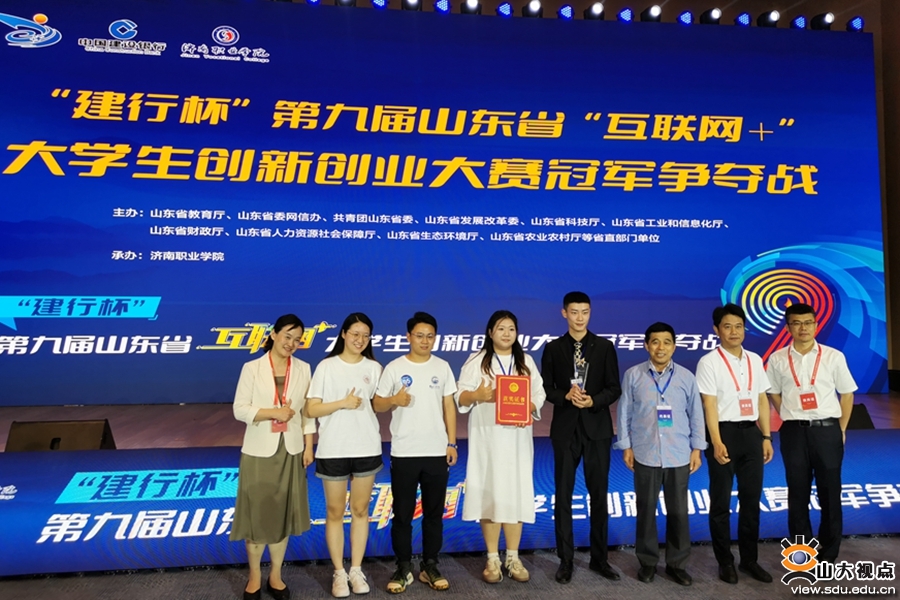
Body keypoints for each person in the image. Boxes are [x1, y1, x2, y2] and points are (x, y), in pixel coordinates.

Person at [456, 310, 546, 584]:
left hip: (517, 439)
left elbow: (539, 393)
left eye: (511, 329)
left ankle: (513, 557)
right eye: (501, 328)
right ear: (490, 332)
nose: (506, 334)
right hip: (488, 439)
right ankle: (492, 557)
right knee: (491, 493)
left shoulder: (525, 361)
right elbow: (460, 396)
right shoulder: (477, 360)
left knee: (515, 493)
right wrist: (477, 395)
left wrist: (529, 408)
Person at [614, 322, 706, 587]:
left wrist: (697, 448)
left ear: (674, 346)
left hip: (679, 454)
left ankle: (677, 564)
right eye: (655, 342)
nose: (661, 347)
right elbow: (624, 412)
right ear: (646, 345)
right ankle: (648, 562)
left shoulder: (686, 377)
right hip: (645, 453)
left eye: (667, 342)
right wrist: (626, 446)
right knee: (646, 511)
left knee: (679, 512)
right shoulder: (633, 375)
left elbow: (696, 414)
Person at [231, 314, 315, 600]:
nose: (291, 343)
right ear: (274, 335)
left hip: (291, 449)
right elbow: (240, 409)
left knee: (283, 516)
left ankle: (276, 575)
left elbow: (306, 412)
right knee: (257, 517)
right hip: (259, 450)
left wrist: (309, 445)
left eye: (297, 340)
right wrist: (273, 413)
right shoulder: (252, 368)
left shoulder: (303, 369)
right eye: (287, 336)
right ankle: (255, 576)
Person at [373, 312, 458, 593]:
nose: (425, 340)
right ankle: (403, 567)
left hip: (436, 451)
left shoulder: (442, 367)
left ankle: (430, 565)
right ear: (408, 336)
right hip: (405, 452)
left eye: (430, 336)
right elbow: (377, 404)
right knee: (402, 515)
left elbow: (449, 406)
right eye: (419, 335)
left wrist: (452, 443)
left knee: (434, 514)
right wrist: (394, 399)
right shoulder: (395, 367)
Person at [766, 303, 857, 564]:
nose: (803, 328)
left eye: (808, 322)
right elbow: (772, 392)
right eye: (796, 323)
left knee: (830, 493)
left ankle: (829, 554)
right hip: (794, 433)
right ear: (788, 327)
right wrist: (788, 412)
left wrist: (841, 428)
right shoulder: (777, 359)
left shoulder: (833, 356)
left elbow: (847, 394)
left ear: (816, 325)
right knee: (797, 494)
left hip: (827, 431)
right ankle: (802, 554)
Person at [540, 291, 621, 584]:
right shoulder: (553, 348)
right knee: (563, 495)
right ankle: (566, 560)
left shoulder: (604, 347)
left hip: (597, 430)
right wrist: (565, 395)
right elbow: (545, 389)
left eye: (585, 312)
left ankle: (600, 560)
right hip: (565, 430)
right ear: (564, 313)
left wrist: (593, 401)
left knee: (598, 495)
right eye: (574, 312)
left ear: (590, 312)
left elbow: (614, 388)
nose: (579, 318)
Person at [695, 304, 774, 584]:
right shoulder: (709, 362)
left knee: (751, 501)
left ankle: (749, 560)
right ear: (716, 330)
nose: (734, 332)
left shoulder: (755, 359)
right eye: (727, 327)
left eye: (738, 326)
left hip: (751, 434)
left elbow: (762, 399)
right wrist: (715, 441)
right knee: (720, 502)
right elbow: (709, 404)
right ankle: (725, 561)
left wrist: (766, 436)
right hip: (723, 434)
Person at [306, 313, 383, 599]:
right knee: (335, 512)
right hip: (334, 448)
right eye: (355, 334)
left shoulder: (374, 367)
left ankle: (356, 570)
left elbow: (381, 404)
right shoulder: (326, 367)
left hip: (366, 447)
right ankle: (339, 572)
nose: (360, 340)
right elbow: (311, 409)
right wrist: (343, 403)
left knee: (361, 510)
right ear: (343, 334)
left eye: (365, 335)